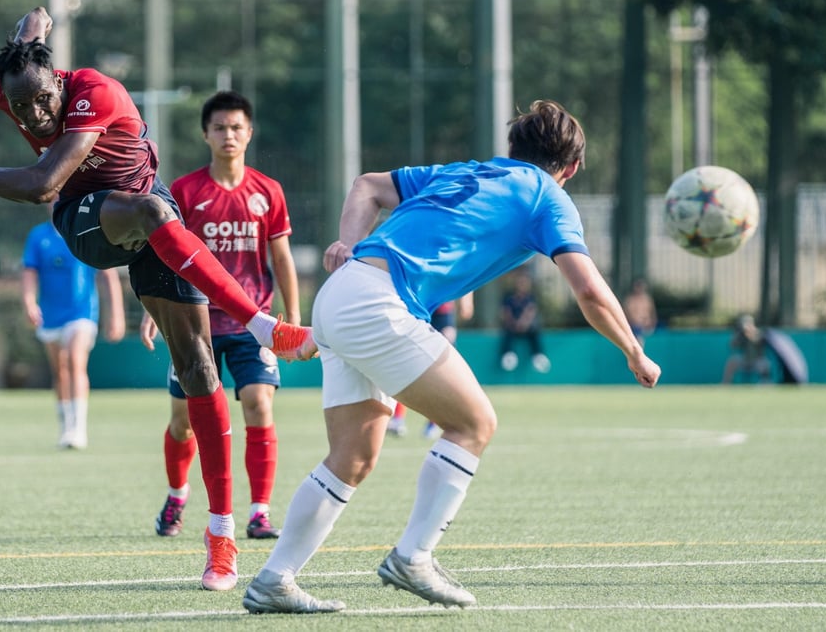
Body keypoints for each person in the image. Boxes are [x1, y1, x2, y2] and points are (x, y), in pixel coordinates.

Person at [0, 7, 316, 592]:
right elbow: (44, 189)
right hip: (84, 222)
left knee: (198, 368)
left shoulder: (94, 93)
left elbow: (37, 164)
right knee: (152, 210)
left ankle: (221, 536)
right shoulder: (13, 85)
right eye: (20, 105)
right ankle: (260, 324)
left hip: (147, 218)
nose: (32, 113)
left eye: (39, 100)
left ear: (57, 81)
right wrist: (32, 29)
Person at [241, 99, 661, 614]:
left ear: (512, 150)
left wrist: (346, 245)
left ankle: (274, 580)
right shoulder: (549, 197)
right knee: (474, 423)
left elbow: (367, 185)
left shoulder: (466, 171)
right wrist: (635, 352)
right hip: (381, 303)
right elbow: (591, 292)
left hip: (342, 292)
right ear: (569, 168)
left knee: (352, 457)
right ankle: (412, 557)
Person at [142, 90, 300, 541]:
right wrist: (156, 309)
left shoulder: (268, 191)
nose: (228, 135)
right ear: (205, 135)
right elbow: (163, 254)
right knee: (183, 420)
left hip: (253, 321)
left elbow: (282, 258)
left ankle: (259, 512)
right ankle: (177, 495)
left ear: (249, 134)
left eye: (236, 127)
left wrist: (289, 317)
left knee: (258, 404)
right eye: (219, 128)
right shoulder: (186, 192)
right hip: (196, 323)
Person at [22, 203, 126, 449]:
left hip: (82, 313)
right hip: (50, 315)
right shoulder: (38, 236)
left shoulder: (86, 232)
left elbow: (107, 274)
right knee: (60, 370)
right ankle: (65, 426)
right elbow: (29, 272)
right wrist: (28, 302)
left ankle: (78, 429)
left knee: (74, 360)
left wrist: (116, 315)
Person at [387, 293, 474, 439]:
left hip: (443, 313)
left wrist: (467, 300)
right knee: (406, 364)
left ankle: (433, 425)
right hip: (418, 308)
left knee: (444, 369)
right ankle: (398, 418)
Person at [499, 269, 550, 373]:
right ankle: (508, 356)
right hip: (512, 327)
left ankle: (538, 356)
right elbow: (505, 312)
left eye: (524, 282)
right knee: (507, 334)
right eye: (519, 282)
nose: (521, 285)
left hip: (527, 328)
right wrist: (513, 323)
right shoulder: (508, 297)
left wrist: (523, 324)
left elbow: (530, 312)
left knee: (535, 333)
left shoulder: (530, 298)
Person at [722, 314, 771, 384]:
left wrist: (750, 334)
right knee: (732, 361)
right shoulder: (741, 334)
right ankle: (726, 383)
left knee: (765, 363)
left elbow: (757, 341)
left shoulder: (758, 332)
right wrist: (738, 335)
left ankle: (765, 382)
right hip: (746, 360)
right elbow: (732, 345)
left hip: (757, 360)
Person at [623, 277, 657, 347]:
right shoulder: (630, 300)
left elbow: (652, 313)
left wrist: (651, 323)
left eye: (641, 286)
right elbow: (627, 315)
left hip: (647, 327)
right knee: (638, 339)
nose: (639, 288)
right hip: (634, 328)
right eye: (637, 286)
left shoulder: (647, 299)